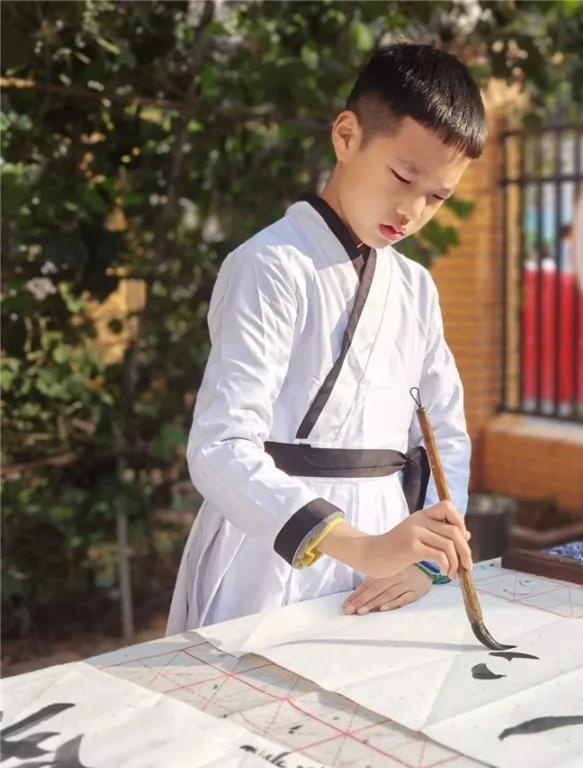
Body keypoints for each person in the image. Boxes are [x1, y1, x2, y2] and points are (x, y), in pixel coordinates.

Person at [167, 44, 484, 632]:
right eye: (403, 176)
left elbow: (445, 437)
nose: (413, 210)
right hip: (270, 547)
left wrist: (431, 562)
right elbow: (219, 447)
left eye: (438, 197)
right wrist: (360, 545)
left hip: (391, 553)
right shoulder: (270, 263)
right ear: (346, 136)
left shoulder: (415, 287)